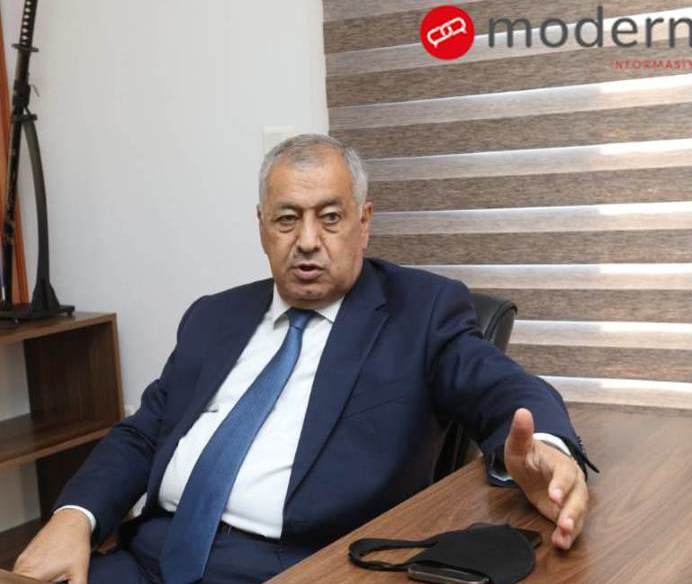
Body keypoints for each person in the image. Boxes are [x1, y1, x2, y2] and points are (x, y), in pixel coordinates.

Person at [14, 134, 595, 584]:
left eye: (330, 217)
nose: (308, 240)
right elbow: (145, 433)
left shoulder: (421, 312)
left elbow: (501, 389)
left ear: (364, 223)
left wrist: (545, 448)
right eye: (287, 218)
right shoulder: (213, 317)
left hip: (299, 567)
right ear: (262, 227)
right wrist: (74, 517)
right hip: (150, 559)